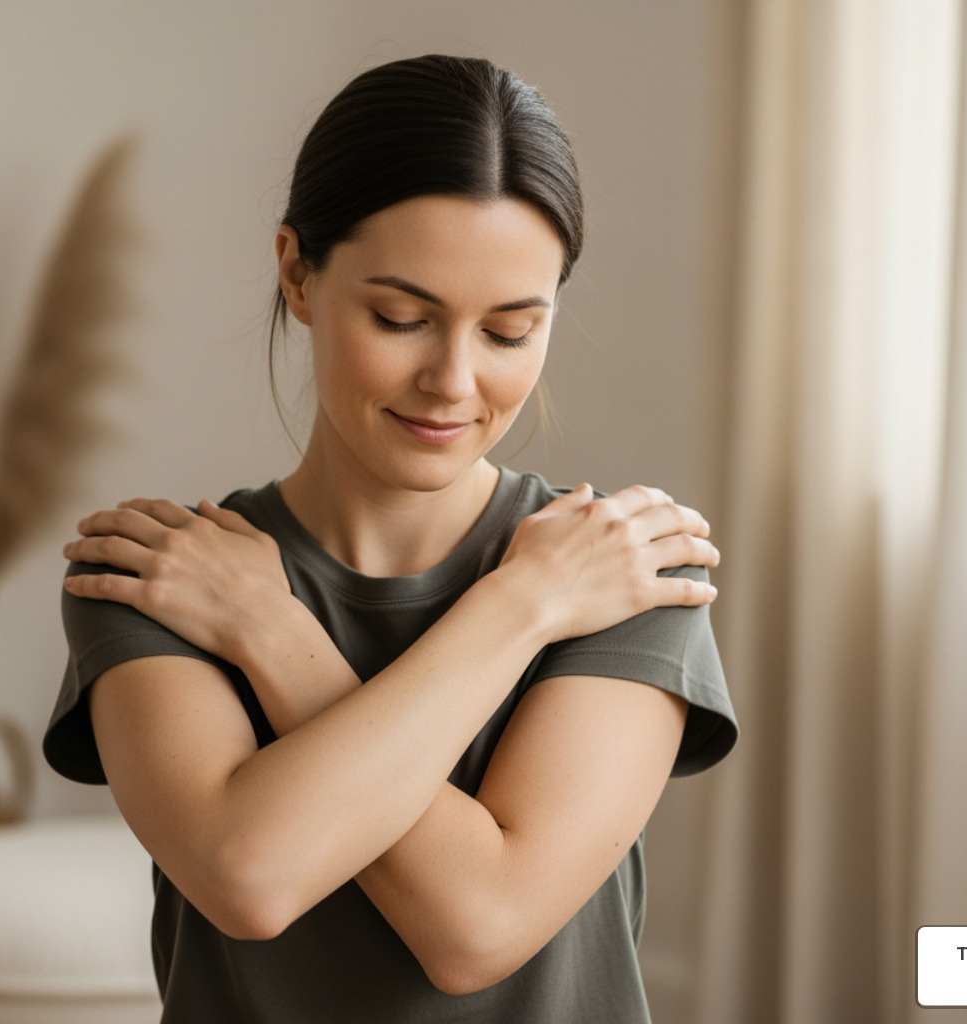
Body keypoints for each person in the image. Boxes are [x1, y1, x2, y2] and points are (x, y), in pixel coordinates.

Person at [42, 54, 737, 1023]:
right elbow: (251, 873)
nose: (453, 380)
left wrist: (278, 632)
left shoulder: (622, 572)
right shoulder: (161, 578)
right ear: (297, 271)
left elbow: (480, 927)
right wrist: (523, 609)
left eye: (508, 332)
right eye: (401, 317)